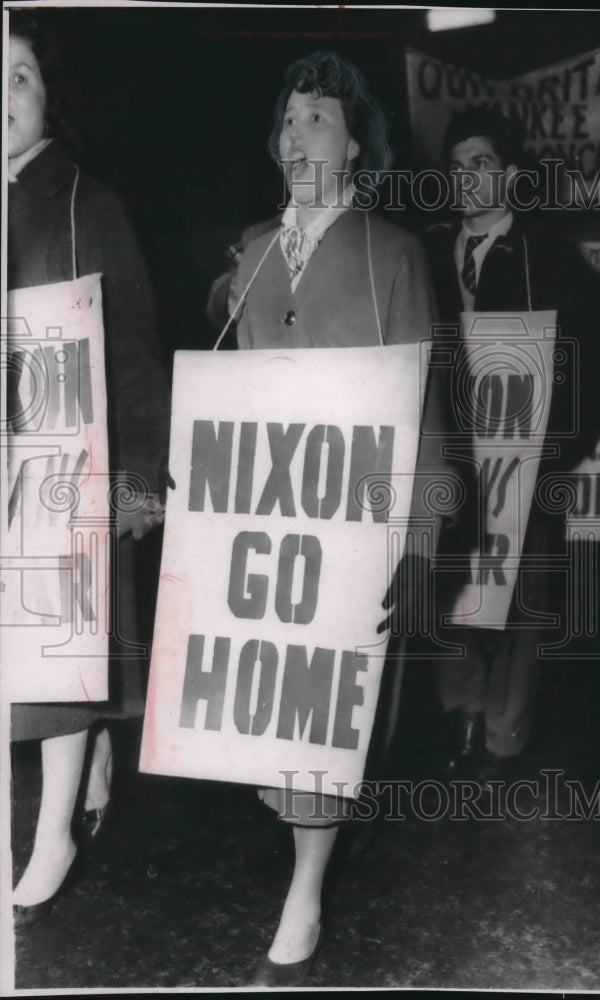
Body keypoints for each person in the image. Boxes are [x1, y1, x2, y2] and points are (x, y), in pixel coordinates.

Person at [223, 51, 447, 986]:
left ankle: (307, 885)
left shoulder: (390, 252)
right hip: (262, 527)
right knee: (270, 715)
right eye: (287, 118)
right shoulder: (251, 248)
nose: (295, 133)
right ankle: (298, 854)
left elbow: (430, 409)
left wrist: (420, 544)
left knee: (328, 728)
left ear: (356, 143)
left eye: (317, 118)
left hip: (354, 528)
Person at [7, 14, 170, 924]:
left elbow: (138, 352)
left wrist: (143, 476)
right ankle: (88, 764)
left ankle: (53, 830)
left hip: (66, 470)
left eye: (20, 77)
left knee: (56, 654)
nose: (2, 97)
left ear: (49, 97)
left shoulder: (88, 203)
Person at [424, 108, 600, 782]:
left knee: (519, 605)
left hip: (526, 461)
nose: (466, 177)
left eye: (480, 163)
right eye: (457, 166)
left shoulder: (548, 258)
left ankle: (503, 736)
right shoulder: (424, 253)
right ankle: (461, 710)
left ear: (509, 176)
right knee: (447, 590)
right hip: (450, 461)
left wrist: (554, 454)